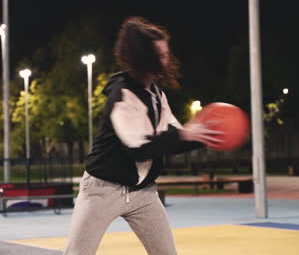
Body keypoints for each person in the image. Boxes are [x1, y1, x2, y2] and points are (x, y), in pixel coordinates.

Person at [64, 16, 221, 255]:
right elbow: (140, 148)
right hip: (102, 190)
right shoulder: (122, 95)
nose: (167, 58)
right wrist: (185, 135)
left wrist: (200, 136)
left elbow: (172, 137)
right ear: (145, 58)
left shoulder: (156, 94)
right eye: (162, 54)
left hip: (143, 194)